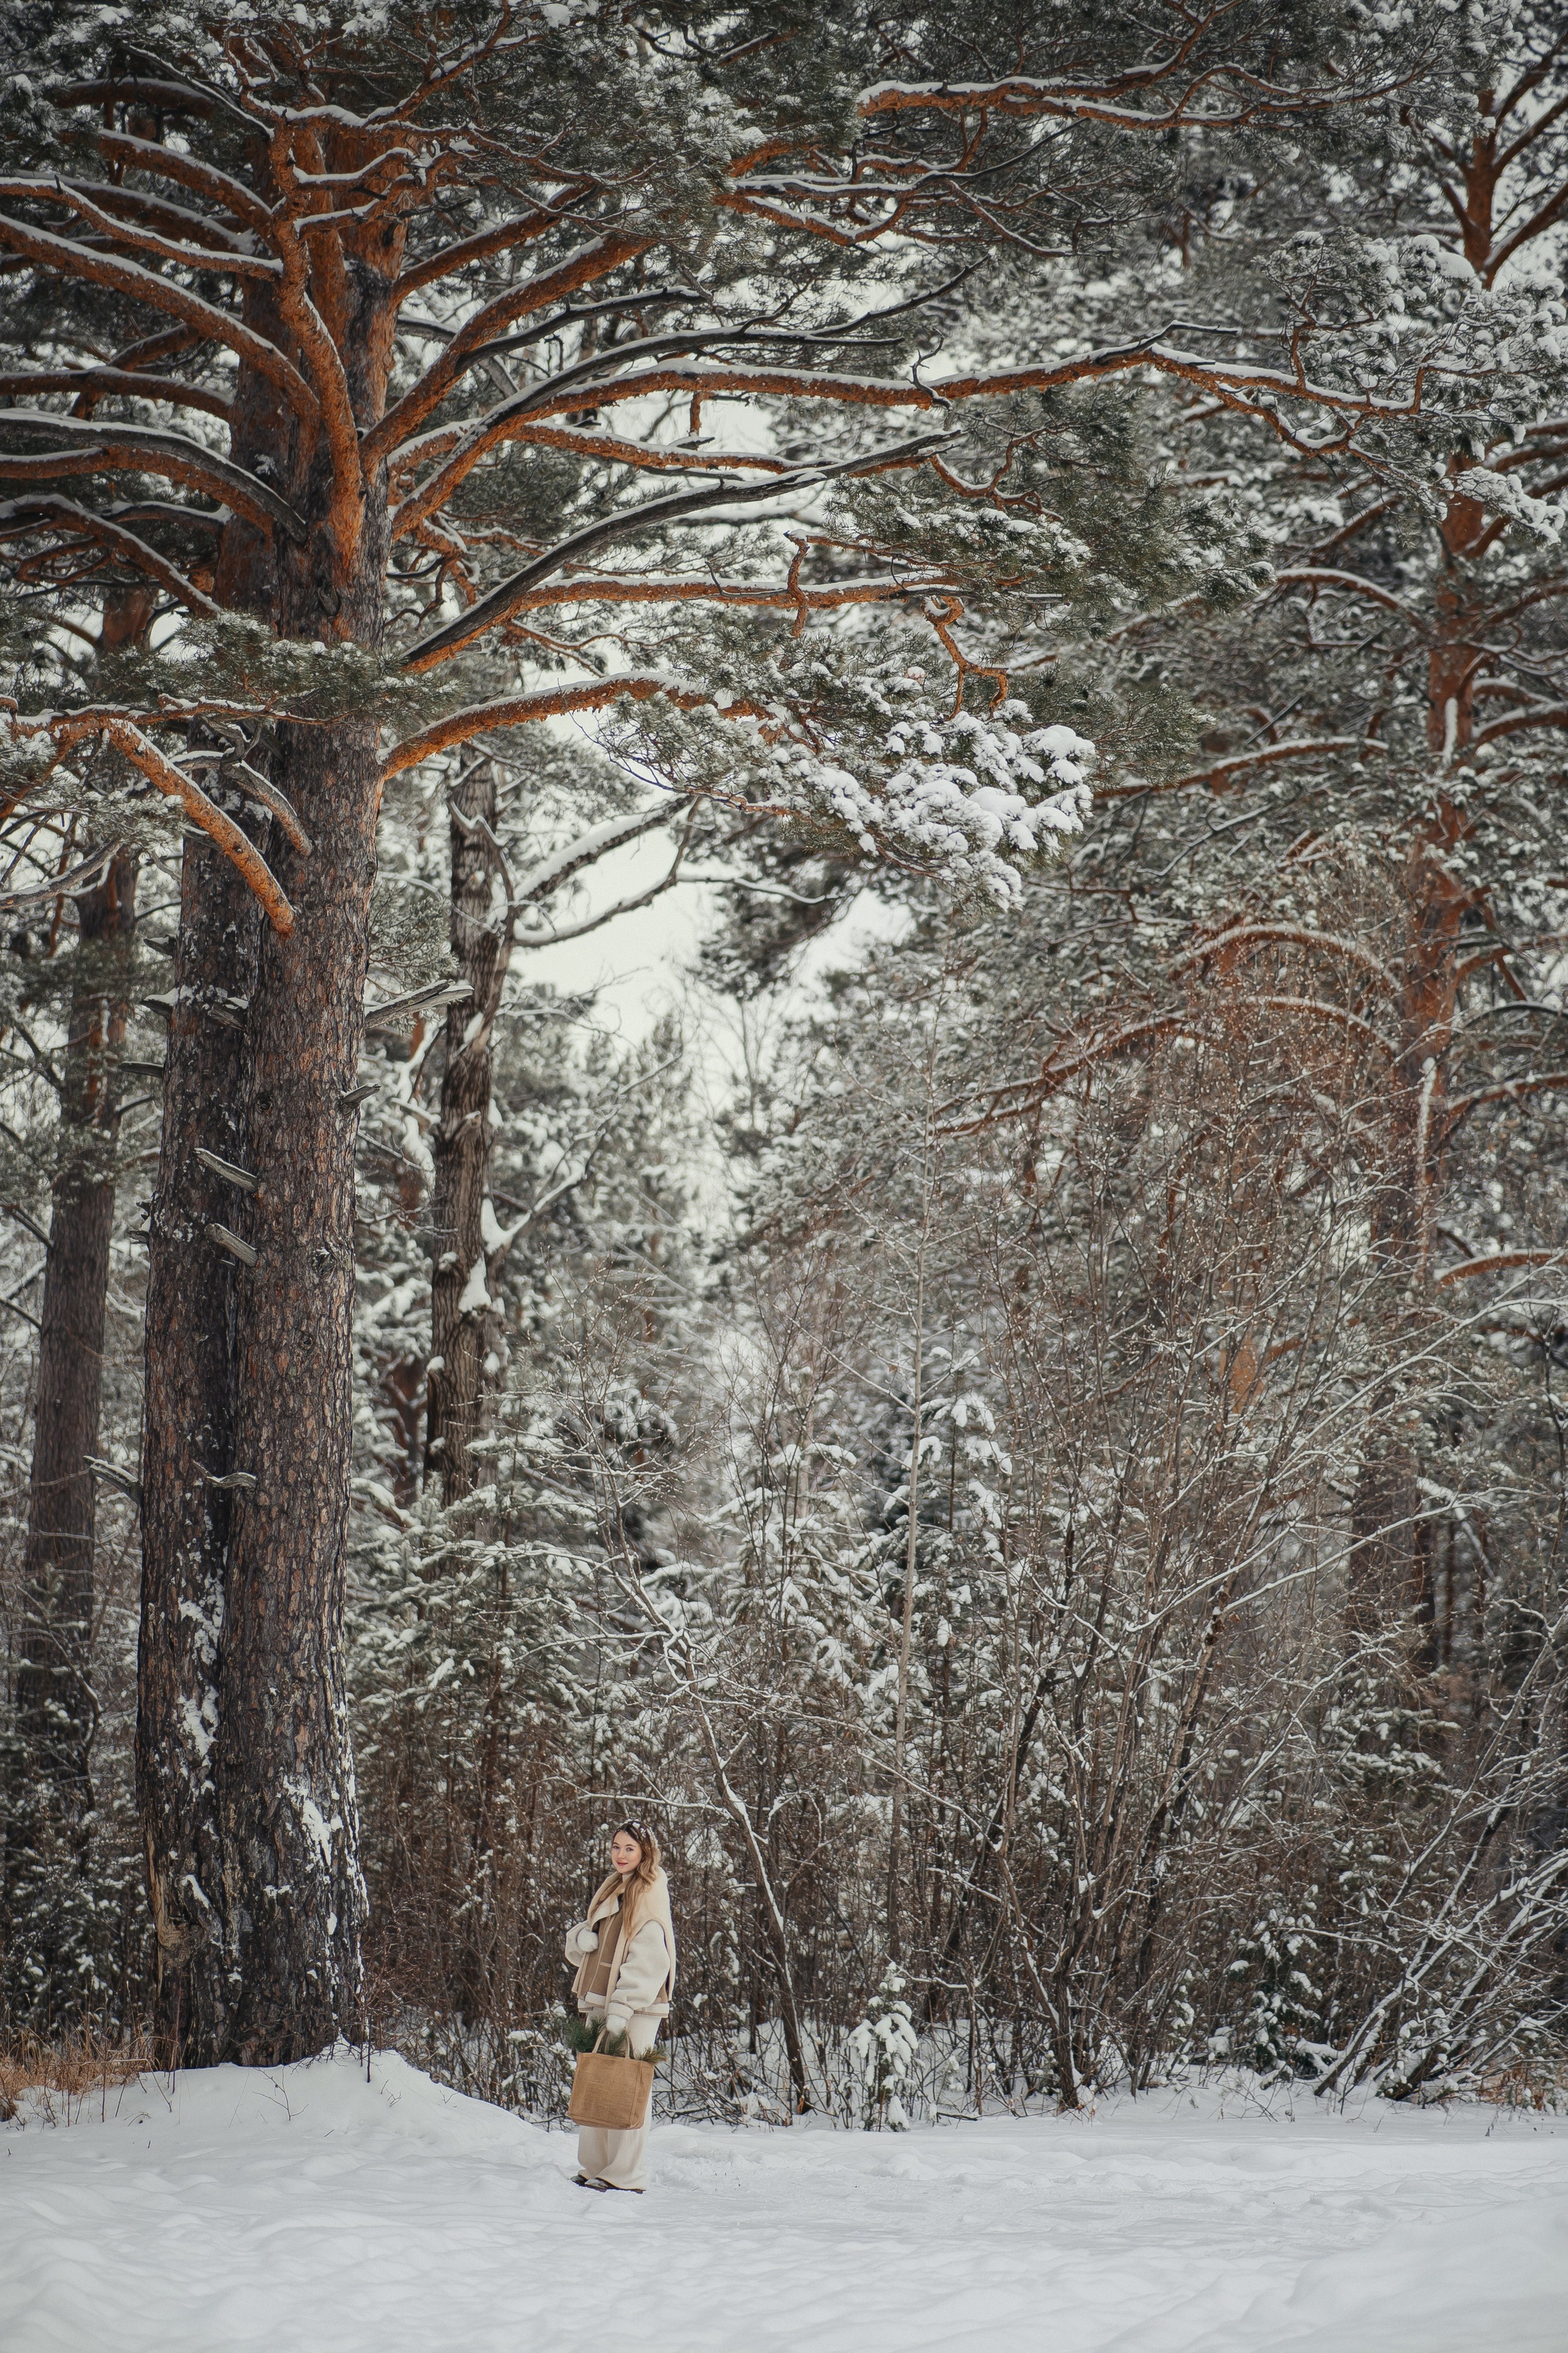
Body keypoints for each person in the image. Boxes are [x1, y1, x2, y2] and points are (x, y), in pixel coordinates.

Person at [564, 1818, 676, 2192]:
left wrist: (622, 2009)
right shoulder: (615, 1886)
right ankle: (595, 2166)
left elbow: (650, 1959)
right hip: (602, 1998)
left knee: (628, 2086)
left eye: (630, 1848)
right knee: (597, 2078)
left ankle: (626, 2174)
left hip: (635, 2007)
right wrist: (581, 1938)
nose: (621, 1854)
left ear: (645, 1852)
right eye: (616, 1847)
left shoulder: (648, 1892)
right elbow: (596, 1937)